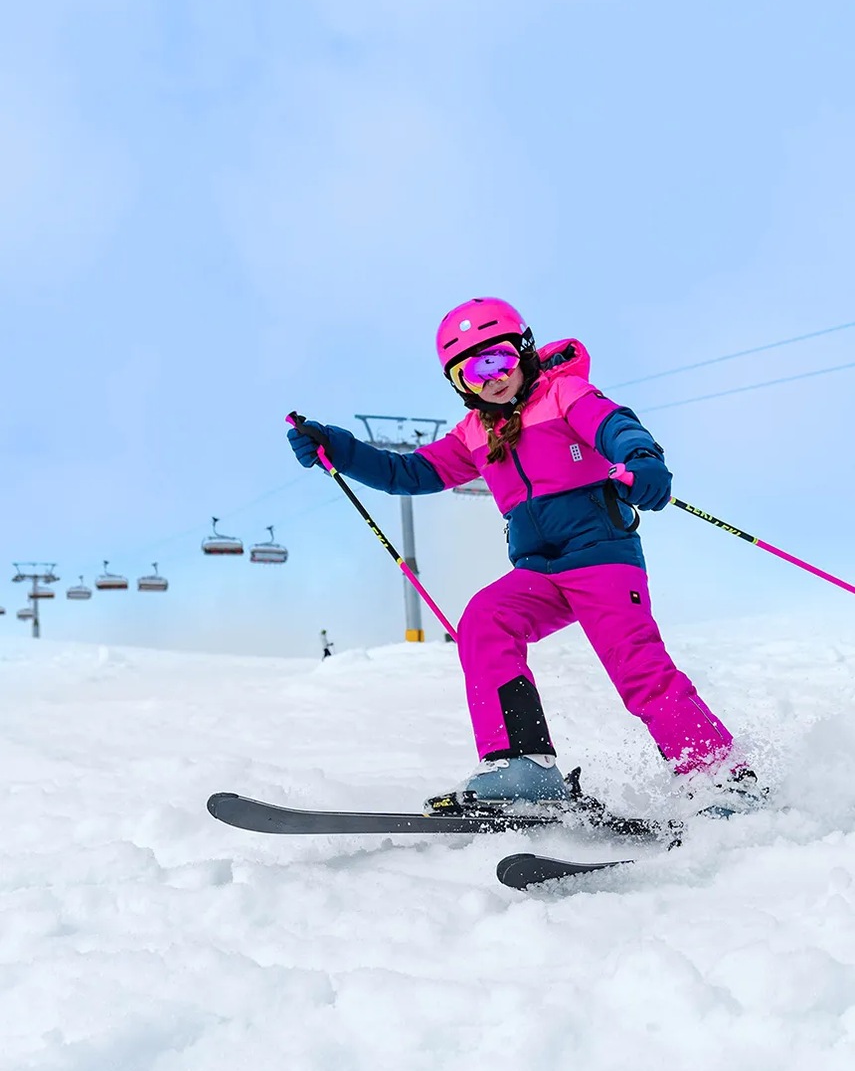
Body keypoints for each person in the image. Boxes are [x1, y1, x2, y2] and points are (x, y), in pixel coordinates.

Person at [288, 297, 761, 815]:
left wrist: (641, 459)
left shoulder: (563, 394)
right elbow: (409, 473)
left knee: (638, 670)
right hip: (539, 570)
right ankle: (522, 765)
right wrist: (339, 448)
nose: (491, 378)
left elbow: (615, 426)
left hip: (601, 558)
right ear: (459, 384)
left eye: (499, 360)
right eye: (472, 371)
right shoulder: (475, 432)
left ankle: (720, 779)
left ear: (523, 352)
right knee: (486, 618)